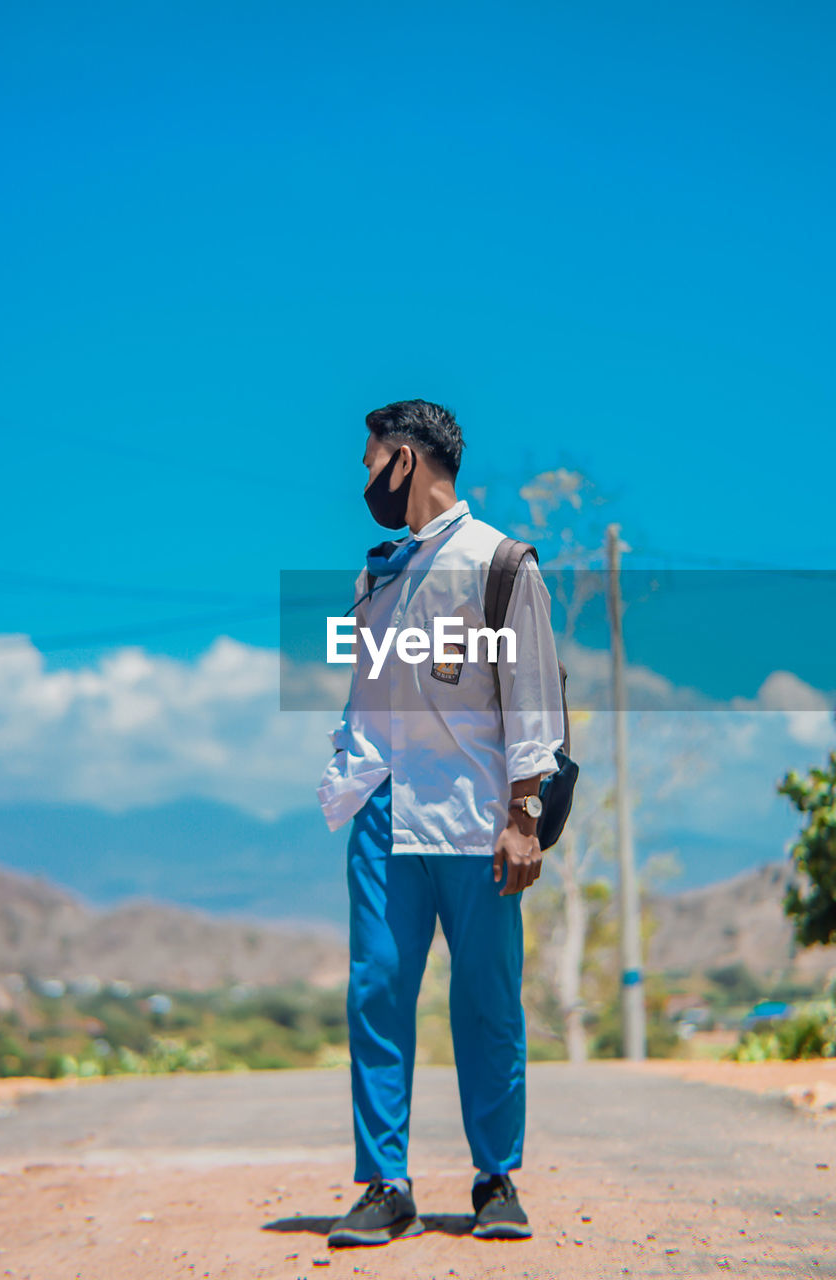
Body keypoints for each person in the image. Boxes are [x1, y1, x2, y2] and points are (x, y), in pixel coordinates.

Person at [317, 399, 566, 1247]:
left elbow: (533, 699)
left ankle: (497, 1177)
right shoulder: (378, 575)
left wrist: (524, 815)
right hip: (385, 818)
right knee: (376, 996)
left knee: (487, 1002)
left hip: (474, 820)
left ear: (407, 461)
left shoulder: (501, 564)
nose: (365, 480)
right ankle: (386, 1184)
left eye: (370, 462)